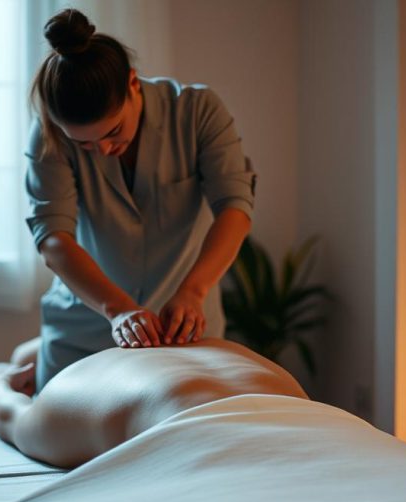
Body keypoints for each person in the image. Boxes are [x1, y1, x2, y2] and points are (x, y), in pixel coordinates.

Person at [26, 9, 255, 392]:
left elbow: (235, 208)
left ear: (133, 83)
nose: (101, 150)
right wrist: (118, 310)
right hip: (85, 327)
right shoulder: (48, 132)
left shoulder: (198, 111)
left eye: (113, 131)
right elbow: (53, 238)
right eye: (83, 143)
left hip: (182, 326)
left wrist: (193, 291)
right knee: (51, 439)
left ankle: (20, 363)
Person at [0, 338, 307, 468]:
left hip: (174, 402)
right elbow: (14, 420)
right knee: (22, 420)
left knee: (22, 414)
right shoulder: (83, 384)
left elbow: (12, 415)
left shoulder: (81, 382)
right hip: (305, 416)